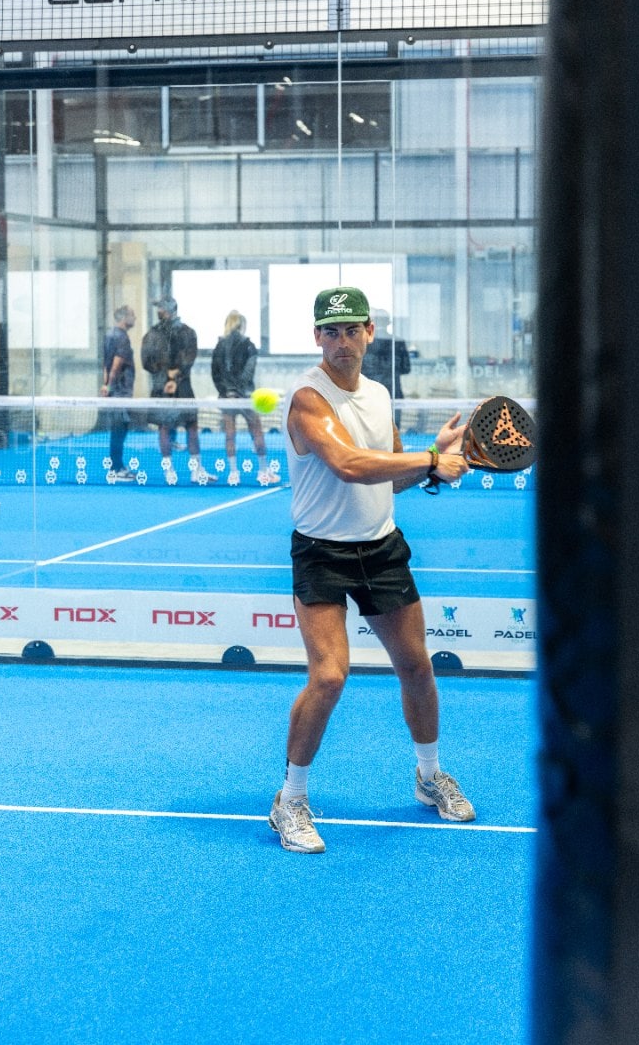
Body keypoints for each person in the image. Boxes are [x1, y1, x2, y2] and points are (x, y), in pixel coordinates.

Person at [268, 286, 474, 854]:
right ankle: (290, 800)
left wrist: (430, 461)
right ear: (317, 337)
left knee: (416, 665)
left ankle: (429, 776)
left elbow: (392, 477)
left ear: (369, 334)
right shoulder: (307, 399)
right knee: (330, 677)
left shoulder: (380, 396)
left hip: (381, 548)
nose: (342, 341)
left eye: (352, 329)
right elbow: (349, 464)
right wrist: (432, 459)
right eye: (331, 331)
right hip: (322, 552)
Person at [140, 297, 216, 484]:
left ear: (171, 310)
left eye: (162, 308)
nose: (159, 311)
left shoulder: (184, 333)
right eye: (158, 308)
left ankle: (195, 471)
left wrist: (170, 376)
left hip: (176, 388)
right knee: (167, 428)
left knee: (189, 427)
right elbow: (148, 362)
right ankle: (171, 472)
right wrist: (170, 375)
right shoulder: (154, 334)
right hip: (169, 387)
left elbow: (186, 359)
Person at [211, 310, 280, 487]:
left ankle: (233, 473)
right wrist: (240, 392)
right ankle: (263, 471)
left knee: (230, 435)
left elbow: (215, 374)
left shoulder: (219, 346)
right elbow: (248, 372)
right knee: (256, 431)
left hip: (226, 397)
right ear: (242, 325)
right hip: (246, 397)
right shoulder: (249, 345)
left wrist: (227, 392)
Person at [99, 304, 136, 481]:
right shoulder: (122, 338)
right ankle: (116, 468)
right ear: (124, 318)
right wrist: (109, 385)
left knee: (118, 429)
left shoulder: (109, 335)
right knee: (120, 429)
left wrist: (105, 384)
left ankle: (117, 466)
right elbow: (115, 364)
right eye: (132, 315)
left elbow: (105, 364)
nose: (135, 318)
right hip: (121, 392)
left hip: (115, 390)